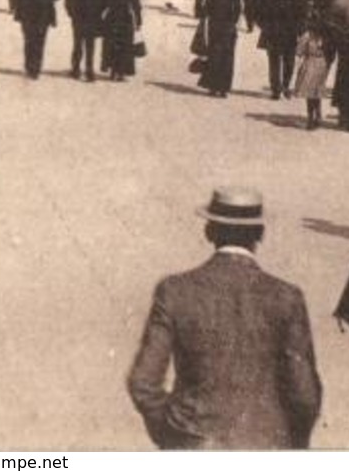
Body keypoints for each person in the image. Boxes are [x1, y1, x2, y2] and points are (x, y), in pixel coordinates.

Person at [127, 187, 322, 449]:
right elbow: (304, 395)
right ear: (260, 234)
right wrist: (290, 442)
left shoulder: (174, 290)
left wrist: (173, 434)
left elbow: (143, 382)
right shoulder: (287, 297)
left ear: (209, 232)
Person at [256, 0, 304, 100]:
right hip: (290, 35)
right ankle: (286, 87)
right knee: (289, 61)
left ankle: (275, 89)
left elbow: (259, 18)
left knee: (274, 62)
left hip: (272, 35)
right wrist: (299, 31)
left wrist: (267, 28)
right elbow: (302, 17)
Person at [198, 0, 242, 98]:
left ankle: (213, 85)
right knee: (228, 56)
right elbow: (238, 10)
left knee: (214, 54)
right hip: (229, 26)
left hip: (215, 24)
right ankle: (224, 87)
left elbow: (205, 9)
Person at [100, 0, 143, 82]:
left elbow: (103, 2)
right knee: (125, 44)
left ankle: (112, 69)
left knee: (112, 43)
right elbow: (136, 4)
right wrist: (139, 21)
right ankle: (121, 71)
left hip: (112, 16)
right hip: (125, 16)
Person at [65, 0, 105, 82]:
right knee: (90, 46)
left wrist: (72, 14)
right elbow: (102, 3)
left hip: (78, 19)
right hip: (92, 19)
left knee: (77, 44)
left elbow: (68, 3)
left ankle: (76, 69)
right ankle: (90, 71)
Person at [291, 25, 332, 130]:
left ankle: (311, 118)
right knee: (316, 90)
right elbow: (331, 52)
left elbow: (299, 51)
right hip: (322, 63)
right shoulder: (328, 36)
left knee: (310, 92)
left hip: (310, 62)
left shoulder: (307, 35)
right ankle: (317, 114)